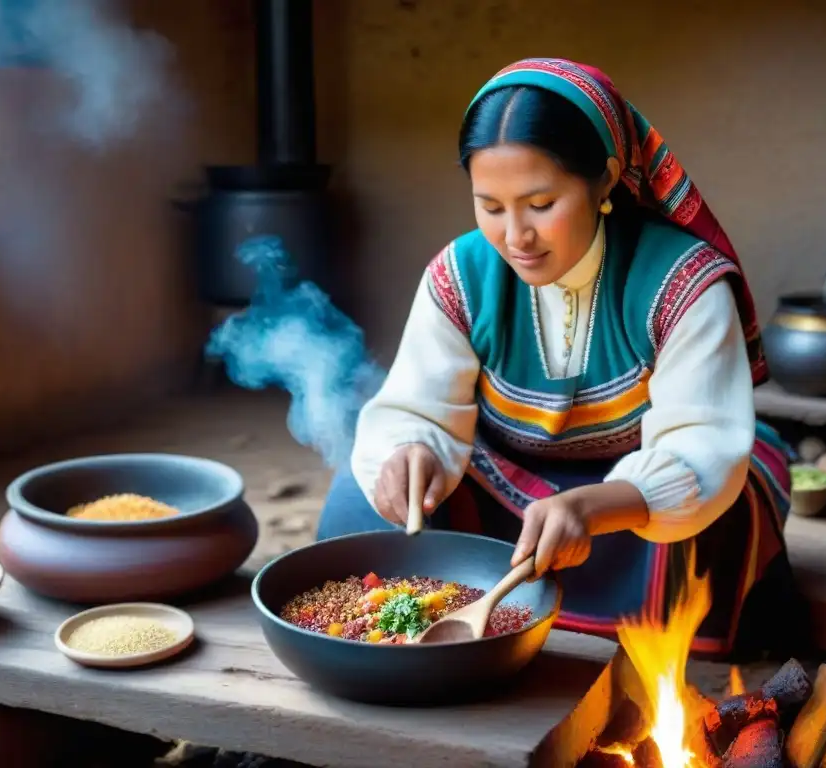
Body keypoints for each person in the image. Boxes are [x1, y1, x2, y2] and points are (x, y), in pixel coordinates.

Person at [317, 58, 799, 658]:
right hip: (504, 478)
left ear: (605, 180)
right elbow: (418, 405)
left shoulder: (683, 283)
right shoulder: (460, 275)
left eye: (540, 203)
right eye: (490, 207)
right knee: (356, 504)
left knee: (718, 528)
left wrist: (594, 507)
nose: (515, 236)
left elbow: (702, 447)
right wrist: (414, 450)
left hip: (634, 500)